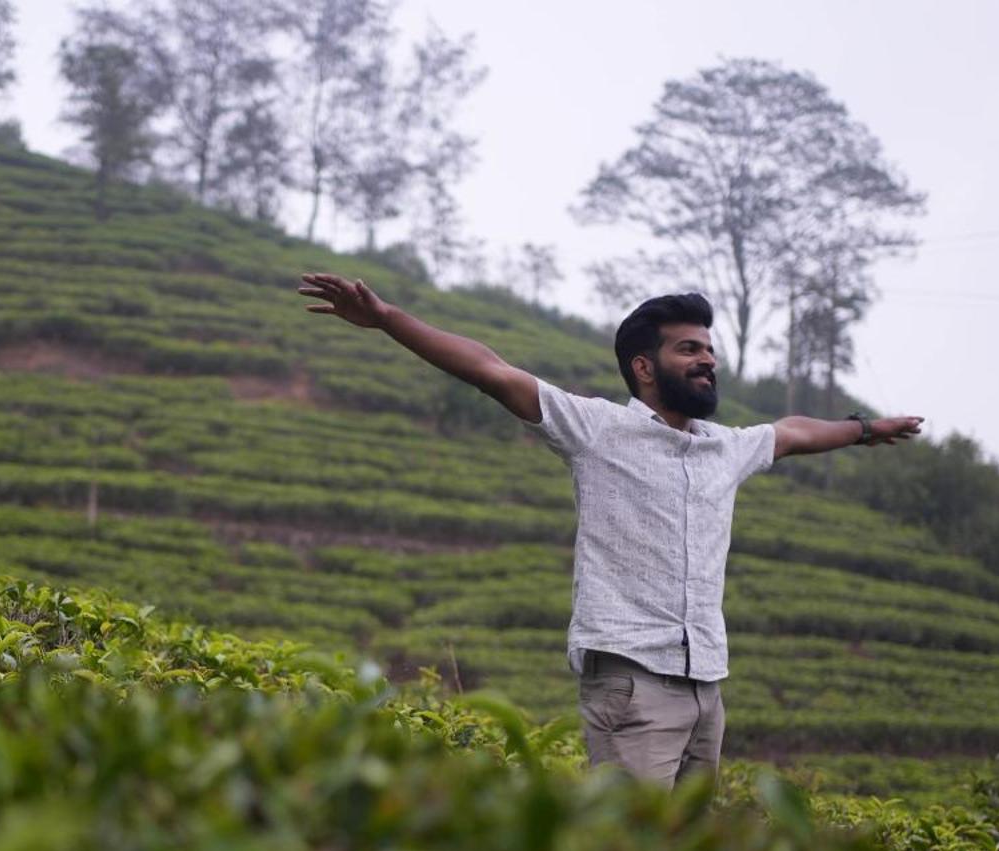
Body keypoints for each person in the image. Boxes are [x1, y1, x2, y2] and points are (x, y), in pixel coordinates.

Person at [296, 271, 924, 787]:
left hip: (706, 686)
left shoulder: (725, 448)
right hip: (630, 680)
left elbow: (792, 432)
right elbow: (492, 371)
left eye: (709, 350)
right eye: (690, 350)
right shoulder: (597, 429)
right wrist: (387, 318)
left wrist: (865, 430)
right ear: (644, 368)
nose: (707, 361)